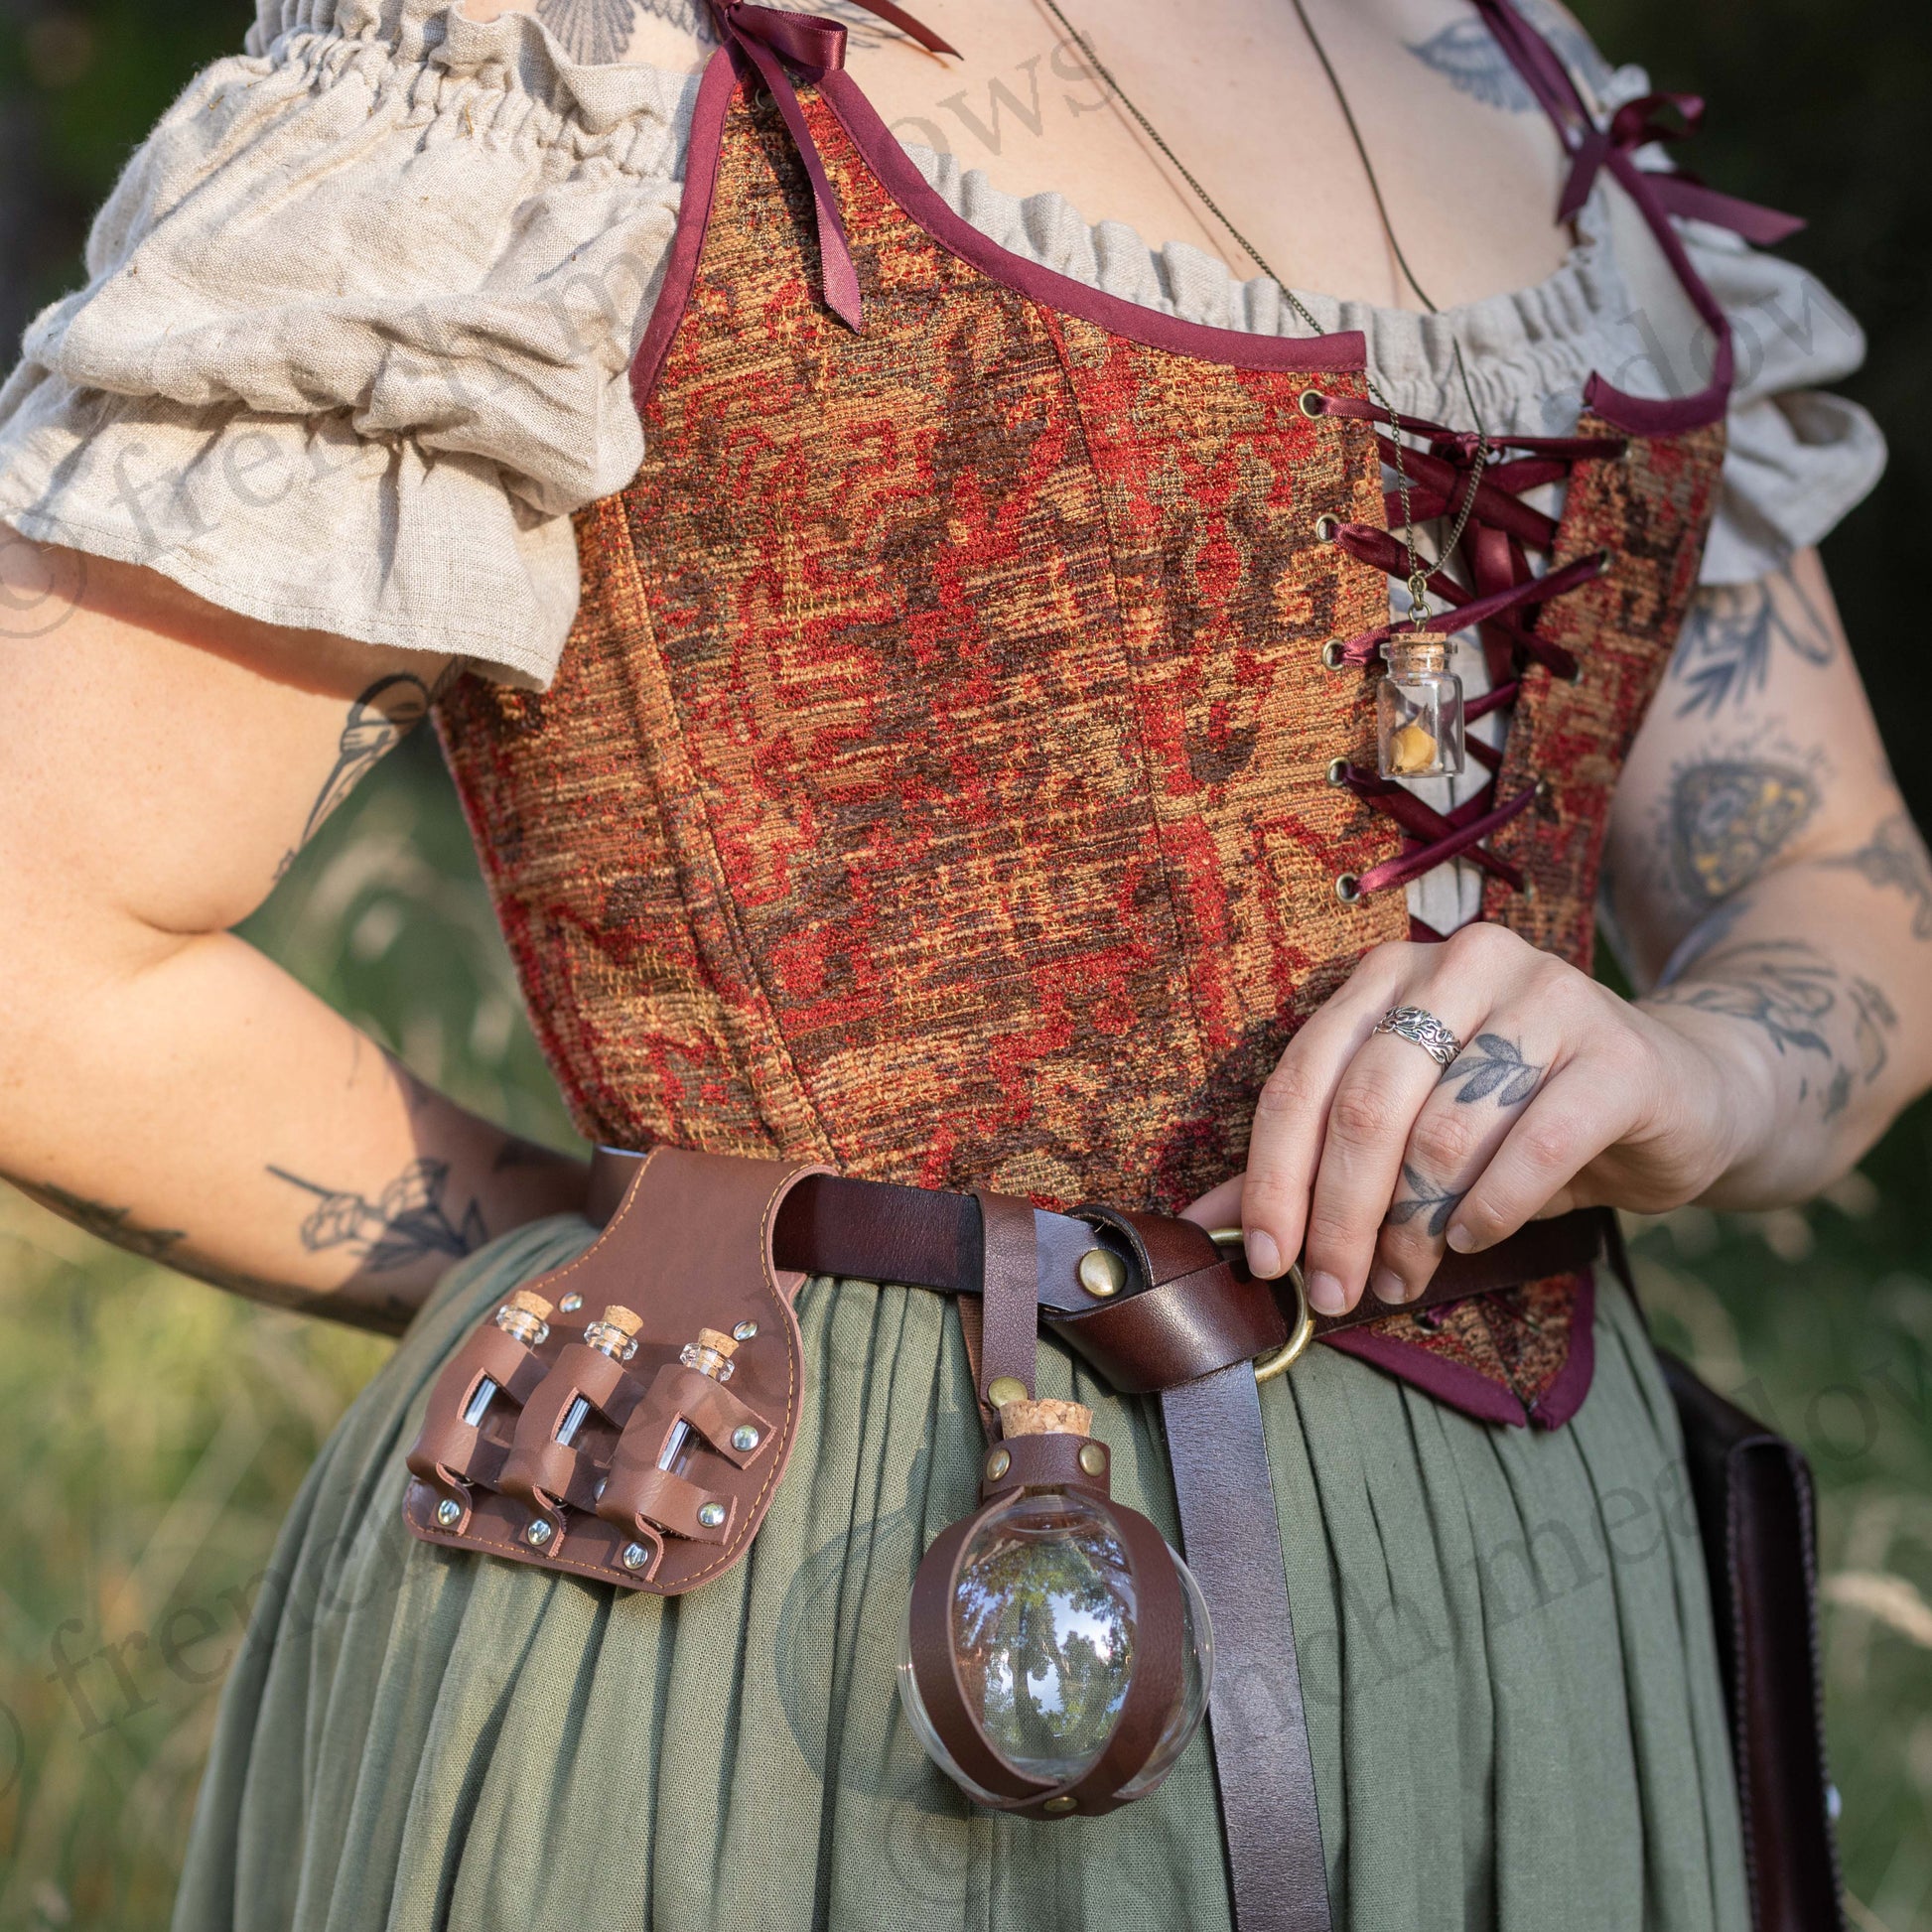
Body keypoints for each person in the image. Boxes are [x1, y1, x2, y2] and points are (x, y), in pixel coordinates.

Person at [0, 0, 1919, 1924]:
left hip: (1545, 1632)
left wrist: (1701, 1080)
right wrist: (642, 1247)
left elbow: (1832, 874)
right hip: (826, 1661)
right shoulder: (566, 73)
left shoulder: (1498, 68)